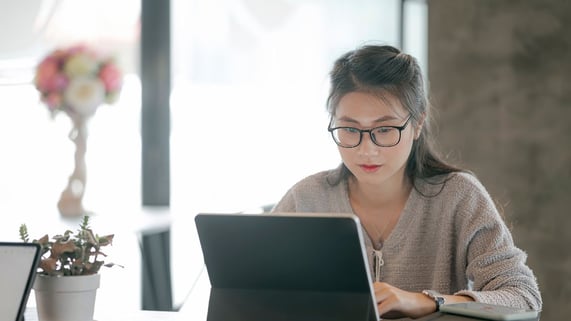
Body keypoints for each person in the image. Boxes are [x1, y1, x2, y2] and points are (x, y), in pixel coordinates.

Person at [271, 44, 542, 319]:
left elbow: (524, 297)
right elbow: (253, 292)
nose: (367, 149)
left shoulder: (459, 196)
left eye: (386, 129)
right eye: (351, 129)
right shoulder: (305, 199)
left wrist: (427, 301)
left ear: (418, 124)